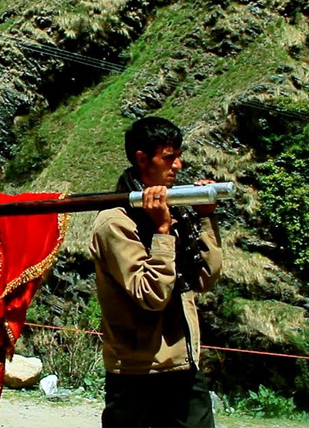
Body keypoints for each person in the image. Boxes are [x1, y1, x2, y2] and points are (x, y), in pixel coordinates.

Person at [89, 117, 223, 428]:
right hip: (137, 374)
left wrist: (205, 219)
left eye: (179, 154)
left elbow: (205, 278)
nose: (179, 164)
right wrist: (163, 231)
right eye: (168, 156)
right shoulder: (115, 223)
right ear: (141, 159)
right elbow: (151, 295)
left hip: (183, 367)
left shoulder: (176, 209)